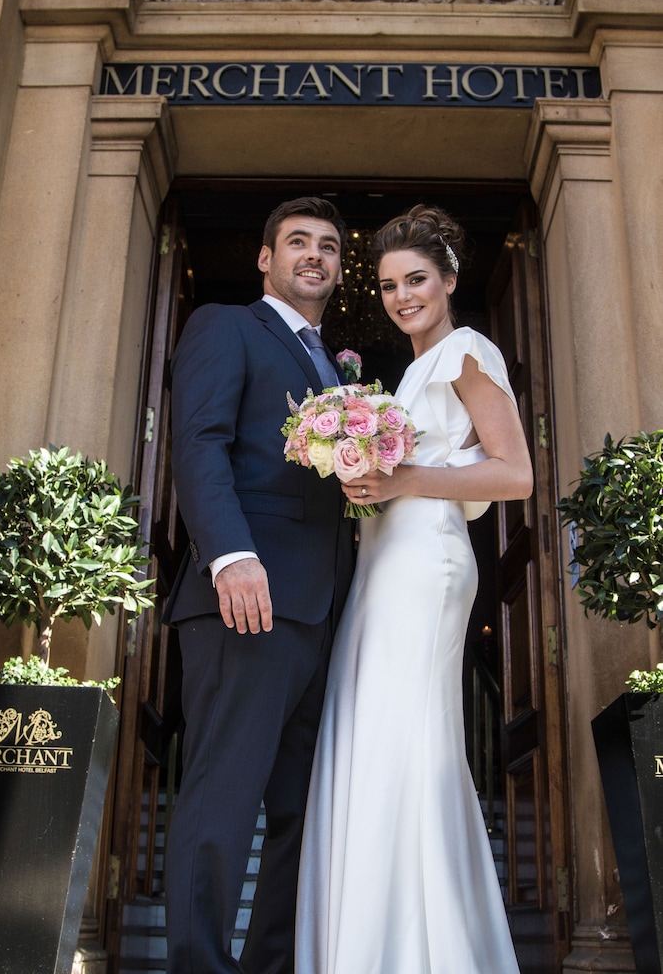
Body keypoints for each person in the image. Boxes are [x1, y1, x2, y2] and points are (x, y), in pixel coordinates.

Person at [295, 204, 533, 973]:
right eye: (390, 285)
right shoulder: (406, 376)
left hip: (425, 564)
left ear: (449, 280)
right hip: (382, 564)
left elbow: (514, 475)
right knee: (372, 737)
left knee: (408, 740)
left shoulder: (466, 352)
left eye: (416, 280)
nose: (402, 297)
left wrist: (400, 480)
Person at [164, 196, 356, 974]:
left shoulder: (334, 365)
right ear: (265, 259)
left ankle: (269, 964)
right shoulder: (225, 326)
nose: (314, 255)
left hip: (323, 610)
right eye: (297, 242)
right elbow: (200, 441)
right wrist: (230, 555)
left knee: (300, 812)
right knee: (223, 797)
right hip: (245, 601)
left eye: (328, 246)